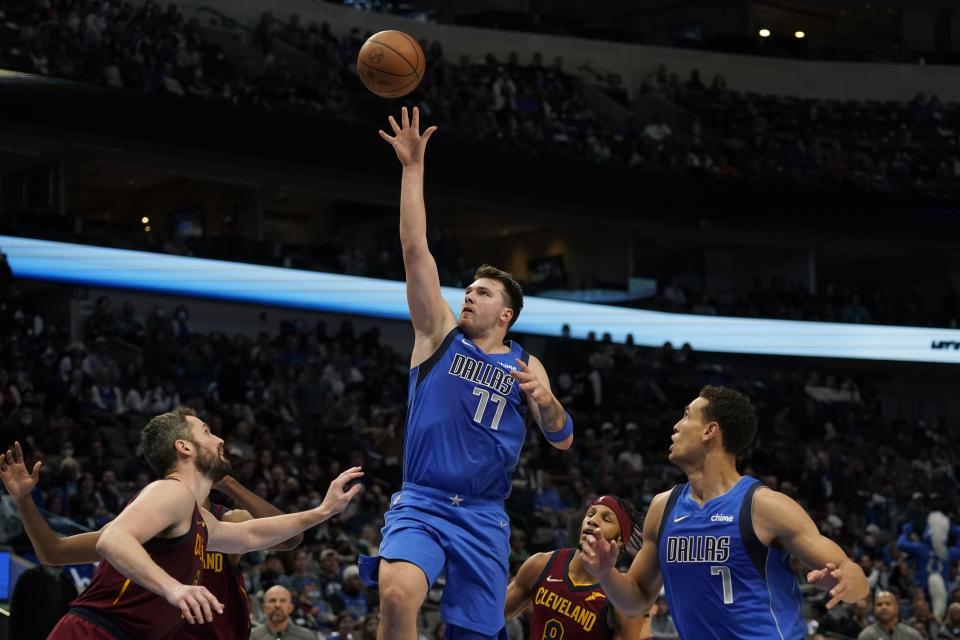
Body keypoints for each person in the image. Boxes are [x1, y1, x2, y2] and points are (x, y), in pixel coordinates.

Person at [361, 106, 574, 640]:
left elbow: (563, 439)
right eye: (469, 290)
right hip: (423, 501)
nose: (468, 296)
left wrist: (546, 401)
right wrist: (412, 169)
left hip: (483, 514)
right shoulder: (438, 335)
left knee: (474, 634)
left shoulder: (526, 363)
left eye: (482, 293)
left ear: (506, 315)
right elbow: (415, 251)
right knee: (395, 594)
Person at [2, 407, 363, 639]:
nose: (219, 439)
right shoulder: (170, 493)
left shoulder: (197, 515)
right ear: (184, 447)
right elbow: (112, 539)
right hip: (96, 633)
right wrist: (174, 589)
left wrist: (322, 511)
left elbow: (250, 533)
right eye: (206, 432)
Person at [581, 386, 869, 639]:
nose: (676, 426)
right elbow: (637, 602)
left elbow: (855, 578)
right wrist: (606, 573)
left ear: (710, 431)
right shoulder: (662, 507)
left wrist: (846, 583)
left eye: (686, 416)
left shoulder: (765, 507)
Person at [504, 495, 646, 640]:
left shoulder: (623, 600)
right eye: (590, 514)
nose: (592, 520)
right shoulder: (540, 564)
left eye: (606, 519)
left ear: (620, 540)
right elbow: (493, 615)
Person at [250, 584, 317, 640]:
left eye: (282, 601)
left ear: (290, 608)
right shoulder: (251, 637)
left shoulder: (307, 637)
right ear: (264, 608)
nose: (277, 605)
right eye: (272, 600)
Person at [858, 591, 923, 640]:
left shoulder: (912, 635)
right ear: (874, 609)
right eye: (879, 604)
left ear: (896, 608)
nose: (883, 607)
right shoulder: (866, 636)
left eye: (888, 604)